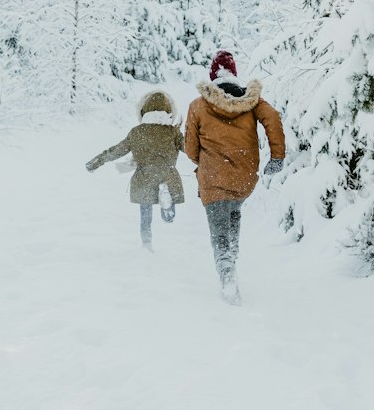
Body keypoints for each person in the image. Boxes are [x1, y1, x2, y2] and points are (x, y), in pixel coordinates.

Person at [184, 50, 285, 303]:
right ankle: (233, 257)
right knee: (233, 210)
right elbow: (272, 117)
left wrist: (202, 162)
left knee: (219, 228)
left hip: (213, 177)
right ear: (235, 73)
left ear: (212, 74)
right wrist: (277, 157)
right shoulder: (252, 102)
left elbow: (190, 149)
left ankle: (228, 276)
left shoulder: (198, 106)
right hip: (244, 176)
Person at [85, 89, 184, 251]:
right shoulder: (173, 132)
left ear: (144, 111)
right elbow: (191, 149)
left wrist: (96, 162)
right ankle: (167, 205)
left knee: (145, 214)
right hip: (168, 174)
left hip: (144, 177)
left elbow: (116, 150)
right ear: (169, 112)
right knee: (169, 217)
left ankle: (146, 244)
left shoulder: (137, 132)